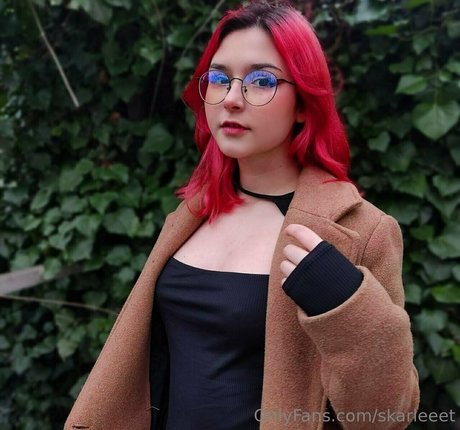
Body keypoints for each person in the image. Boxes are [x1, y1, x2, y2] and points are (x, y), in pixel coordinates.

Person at [64, 1, 420, 429]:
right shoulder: (190, 215)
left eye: (261, 80)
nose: (231, 99)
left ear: (304, 103)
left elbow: (387, 416)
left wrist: (347, 306)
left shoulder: (361, 230)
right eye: (219, 79)